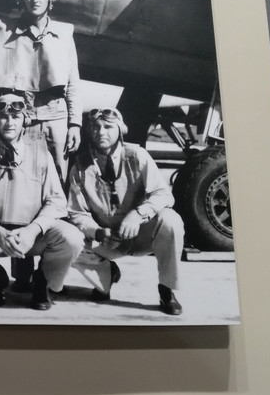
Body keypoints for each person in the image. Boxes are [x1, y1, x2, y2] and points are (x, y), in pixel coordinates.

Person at [0, 0, 82, 292]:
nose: (34, 0)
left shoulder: (64, 34)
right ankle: (22, 268)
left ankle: (48, 273)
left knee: (56, 192)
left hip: (55, 117)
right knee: (22, 188)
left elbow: (73, 83)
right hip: (23, 118)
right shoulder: (9, 33)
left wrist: (75, 124)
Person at [0, 94, 82, 309]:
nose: (9, 122)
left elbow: (56, 200)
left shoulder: (41, 152)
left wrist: (33, 230)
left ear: (25, 120)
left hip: (33, 235)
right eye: (3, 117)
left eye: (15, 116)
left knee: (72, 238)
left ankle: (44, 281)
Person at [67, 108, 184, 315]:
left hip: (140, 234)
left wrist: (138, 215)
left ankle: (167, 289)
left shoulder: (137, 156)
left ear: (120, 130)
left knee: (171, 220)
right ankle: (104, 276)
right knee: (66, 240)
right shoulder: (80, 167)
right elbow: (77, 212)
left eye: (108, 127)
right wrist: (98, 232)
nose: (101, 132)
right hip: (106, 239)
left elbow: (164, 194)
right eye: (95, 127)